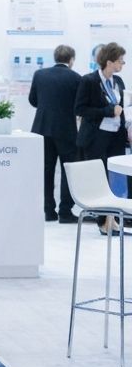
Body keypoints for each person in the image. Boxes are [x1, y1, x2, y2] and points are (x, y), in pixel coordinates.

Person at [75, 41, 127, 236]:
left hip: (115, 137)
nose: (122, 65)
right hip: (96, 137)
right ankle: (101, 221)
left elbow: (123, 107)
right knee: (99, 179)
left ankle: (112, 220)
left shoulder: (118, 82)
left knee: (114, 180)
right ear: (109, 61)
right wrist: (107, 111)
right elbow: (80, 109)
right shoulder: (89, 81)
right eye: (120, 61)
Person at [29, 45, 81, 224]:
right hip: (66, 130)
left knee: (45, 170)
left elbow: (32, 100)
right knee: (68, 171)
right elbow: (78, 106)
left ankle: (48, 211)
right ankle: (65, 212)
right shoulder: (76, 78)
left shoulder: (40, 75)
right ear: (71, 60)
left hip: (42, 128)